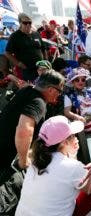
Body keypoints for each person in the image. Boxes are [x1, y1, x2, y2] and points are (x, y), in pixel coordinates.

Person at [0, 70, 65, 214]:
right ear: (50, 89)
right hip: (6, 160)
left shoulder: (26, 91)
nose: (59, 95)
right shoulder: (38, 102)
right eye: (59, 91)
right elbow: (25, 129)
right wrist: (23, 160)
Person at [15, 115, 91, 215]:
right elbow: (90, 189)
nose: (76, 138)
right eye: (74, 135)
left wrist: (71, 154)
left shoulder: (35, 161)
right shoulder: (73, 167)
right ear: (65, 142)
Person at [5, 13, 47, 82]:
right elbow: (7, 53)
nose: (28, 24)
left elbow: (43, 48)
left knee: (43, 86)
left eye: (29, 22)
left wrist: (46, 61)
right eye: (25, 23)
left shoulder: (36, 34)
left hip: (41, 67)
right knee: (32, 89)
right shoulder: (15, 36)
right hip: (27, 70)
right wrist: (18, 63)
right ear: (20, 23)